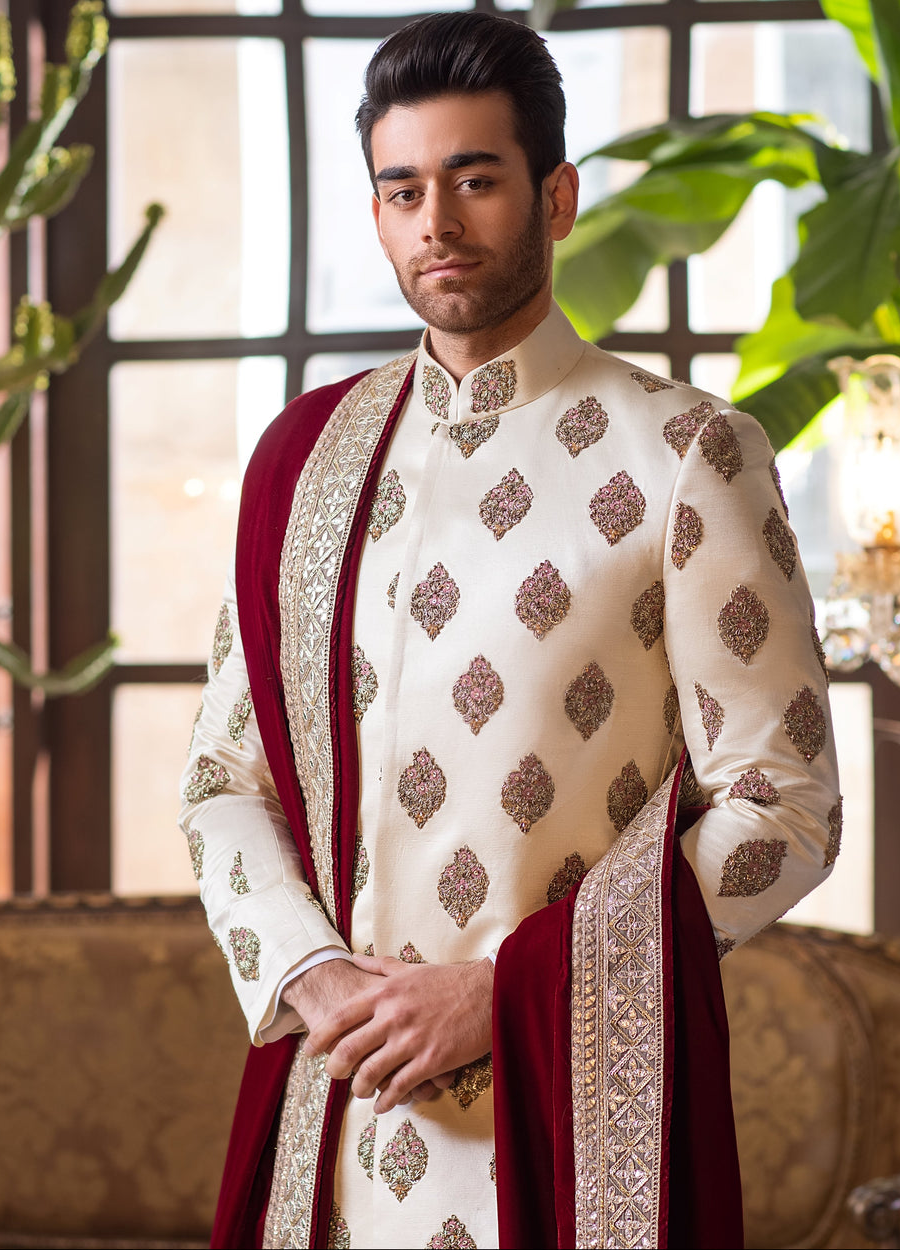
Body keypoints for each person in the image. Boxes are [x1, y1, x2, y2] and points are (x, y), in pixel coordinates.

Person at [179, 12, 841, 1250]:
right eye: (404, 189)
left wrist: (504, 996)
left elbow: (785, 805)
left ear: (557, 197)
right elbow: (226, 777)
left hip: (566, 1119)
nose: (436, 219)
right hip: (337, 1109)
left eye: (475, 179)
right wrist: (315, 974)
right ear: (378, 214)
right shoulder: (306, 463)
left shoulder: (687, 452)